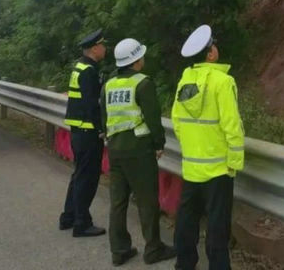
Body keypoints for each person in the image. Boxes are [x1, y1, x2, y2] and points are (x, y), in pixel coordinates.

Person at [171, 25, 245, 270]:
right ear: (211, 54)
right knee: (217, 225)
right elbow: (231, 125)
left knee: (187, 220)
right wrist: (234, 163)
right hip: (218, 169)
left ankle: (184, 264)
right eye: (214, 45)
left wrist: (193, 149)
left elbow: (177, 122)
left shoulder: (184, 81)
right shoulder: (223, 82)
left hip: (192, 167)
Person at [101, 38, 177, 266]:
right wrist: (159, 144)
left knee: (118, 202)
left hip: (115, 149)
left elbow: (104, 118)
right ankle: (153, 249)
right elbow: (153, 119)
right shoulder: (143, 84)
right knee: (147, 201)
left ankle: (119, 250)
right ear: (136, 60)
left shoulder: (108, 85)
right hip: (139, 151)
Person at [59, 29, 107, 237]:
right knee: (87, 178)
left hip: (79, 131)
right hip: (88, 132)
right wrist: (101, 129)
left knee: (79, 175)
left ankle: (68, 217)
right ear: (94, 49)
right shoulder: (88, 71)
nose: (105, 49)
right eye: (102, 46)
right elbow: (92, 105)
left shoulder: (80, 66)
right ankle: (82, 223)